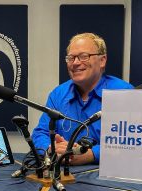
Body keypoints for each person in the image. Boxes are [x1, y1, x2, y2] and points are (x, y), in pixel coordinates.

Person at [31, 33, 133, 165]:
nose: (76, 63)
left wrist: (91, 155)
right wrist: (51, 148)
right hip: (63, 174)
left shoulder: (125, 93)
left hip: (107, 176)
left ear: (102, 60)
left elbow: (133, 142)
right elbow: (40, 132)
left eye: (84, 56)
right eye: (71, 58)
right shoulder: (58, 94)